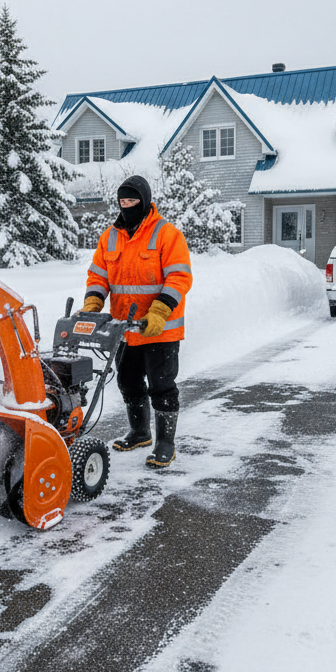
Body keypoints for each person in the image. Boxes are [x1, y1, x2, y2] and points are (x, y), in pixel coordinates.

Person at [81, 175, 192, 467]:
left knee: (161, 387)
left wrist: (158, 311)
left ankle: (165, 444)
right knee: (128, 382)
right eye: (123, 201)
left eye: (132, 201)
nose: (127, 206)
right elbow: (98, 276)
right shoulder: (110, 237)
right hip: (125, 329)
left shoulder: (167, 234)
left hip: (159, 329)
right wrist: (93, 302)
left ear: (144, 201)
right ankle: (140, 432)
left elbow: (179, 277)